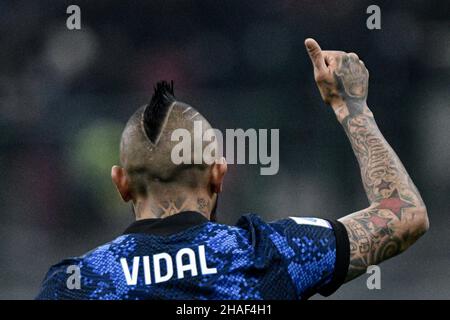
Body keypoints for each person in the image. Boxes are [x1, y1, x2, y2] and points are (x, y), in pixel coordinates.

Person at [36, 38, 429, 299]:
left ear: (121, 183)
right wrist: (352, 108)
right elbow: (405, 215)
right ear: (218, 174)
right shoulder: (272, 254)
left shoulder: (77, 284)